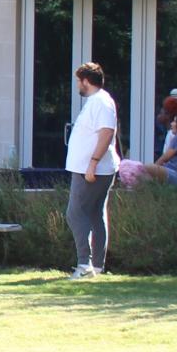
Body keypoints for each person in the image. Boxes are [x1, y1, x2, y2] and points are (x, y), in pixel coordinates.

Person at [64, 62, 120, 279]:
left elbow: (107, 132)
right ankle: (96, 266)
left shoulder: (101, 102)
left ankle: (84, 264)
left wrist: (93, 163)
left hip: (92, 170)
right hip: (90, 168)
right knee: (95, 214)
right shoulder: (96, 102)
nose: (77, 84)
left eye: (79, 80)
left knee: (75, 213)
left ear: (86, 81)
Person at [133, 112, 177, 186]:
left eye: (174, 121)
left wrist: (155, 168)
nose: (171, 124)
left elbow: (165, 158)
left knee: (145, 168)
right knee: (146, 176)